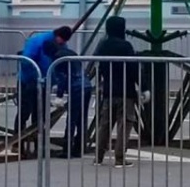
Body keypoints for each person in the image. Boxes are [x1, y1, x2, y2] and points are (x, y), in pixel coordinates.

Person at [93, 15, 139, 167]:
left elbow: (96, 64)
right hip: (126, 91)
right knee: (124, 124)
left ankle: (98, 157)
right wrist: (143, 87)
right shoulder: (126, 46)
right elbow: (133, 68)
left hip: (108, 90)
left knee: (105, 124)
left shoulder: (103, 45)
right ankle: (119, 158)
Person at [16, 25, 72, 140]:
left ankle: (38, 142)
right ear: (58, 36)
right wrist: (35, 78)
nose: (63, 43)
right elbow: (27, 61)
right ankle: (17, 141)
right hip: (29, 81)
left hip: (44, 82)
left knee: (40, 113)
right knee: (25, 111)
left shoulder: (60, 43)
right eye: (63, 41)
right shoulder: (38, 42)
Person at [51, 44, 93, 157]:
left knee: (72, 120)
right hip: (87, 85)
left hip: (76, 88)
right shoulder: (71, 52)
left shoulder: (58, 59)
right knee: (82, 119)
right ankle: (79, 148)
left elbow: (63, 78)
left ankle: (67, 149)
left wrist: (59, 96)